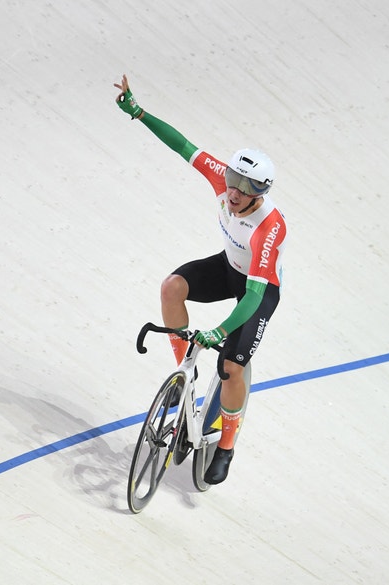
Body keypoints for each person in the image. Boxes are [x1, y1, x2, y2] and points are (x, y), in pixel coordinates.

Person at [114, 74, 287, 485]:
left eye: (245, 187)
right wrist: (138, 112)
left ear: (260, 192)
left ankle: (226, 446)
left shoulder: (269, 228)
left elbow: (253, 296)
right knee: (172, 287)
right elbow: (182, 145)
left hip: (257, 291)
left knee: (231, 367)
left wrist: (220, 331)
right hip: (228, 268)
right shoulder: (224, 181)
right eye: (232, 181)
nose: (234, 191)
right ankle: (182, 377)